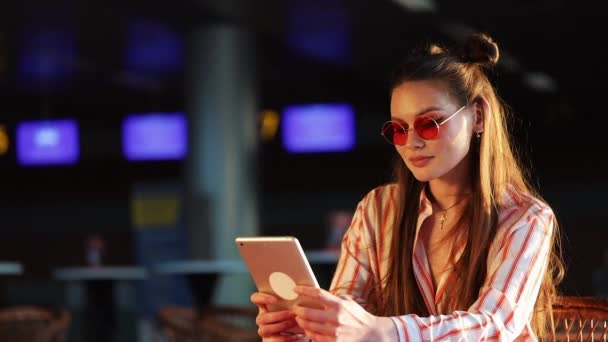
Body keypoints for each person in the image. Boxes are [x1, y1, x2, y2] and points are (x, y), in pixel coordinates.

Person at [251, 33, 564, 341]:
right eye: (399, 130)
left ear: (478, 117)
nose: (412, 142)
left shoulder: (525, 216)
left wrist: (384, 331)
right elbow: (350, 317)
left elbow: (495, 326)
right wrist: (306, 330)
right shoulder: (377, 209)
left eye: (429, 123)